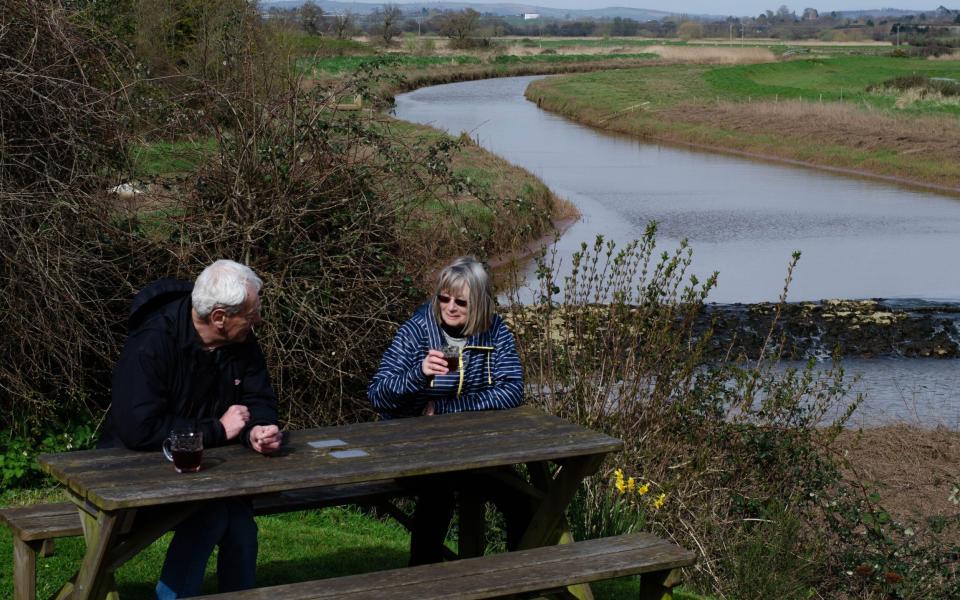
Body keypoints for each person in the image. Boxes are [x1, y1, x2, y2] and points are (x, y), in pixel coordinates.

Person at [99, 259, 282, 599]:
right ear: (218, 318)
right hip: (132, 475)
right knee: (208, 517)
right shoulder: (151, 343)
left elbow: (258, 398)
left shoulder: (242, 340)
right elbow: (139, 429)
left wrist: (258, 430)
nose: (258, 319)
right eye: (252, 312)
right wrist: (217, 430)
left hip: (209, 473)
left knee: (241, 529)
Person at [368, 256, 528, 565]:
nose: (450, 307)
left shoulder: (494, 331)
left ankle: (520, 580)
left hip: (472, 447)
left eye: (461, 302)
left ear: (479, 303)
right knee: (438, 495)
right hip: (412, 445)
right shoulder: (417, 330)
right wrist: (420, 374)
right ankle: (424, 579)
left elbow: (511, 390)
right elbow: (378, 394)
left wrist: (448, 406)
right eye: (444, 298)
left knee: (521, 499)